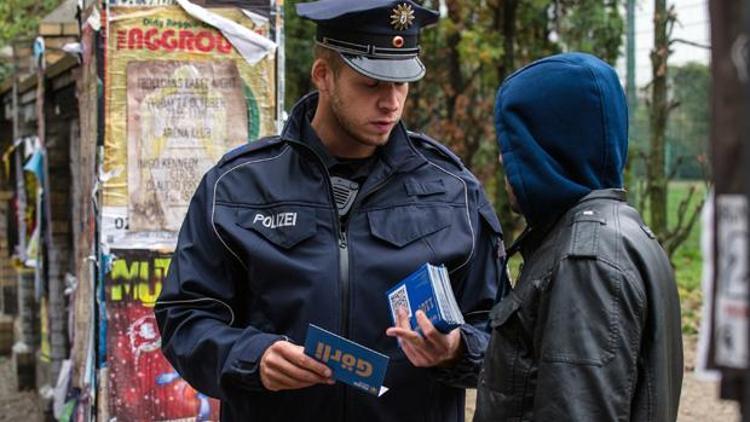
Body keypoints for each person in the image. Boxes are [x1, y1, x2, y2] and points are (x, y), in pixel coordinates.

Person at [155, 1, 506, 421]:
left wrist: (456, 350)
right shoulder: (236, 187)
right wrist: (252, 356)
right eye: (372, 83)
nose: (391, 103)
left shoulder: (453, 192)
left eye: (402, 83)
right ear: (323, 75)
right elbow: (185, 318)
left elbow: (502, 336)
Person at [474, 52, 683, 421]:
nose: (506, 162)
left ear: (548, 149)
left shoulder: (586, 260)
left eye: (515, 147)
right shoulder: (625, 232)